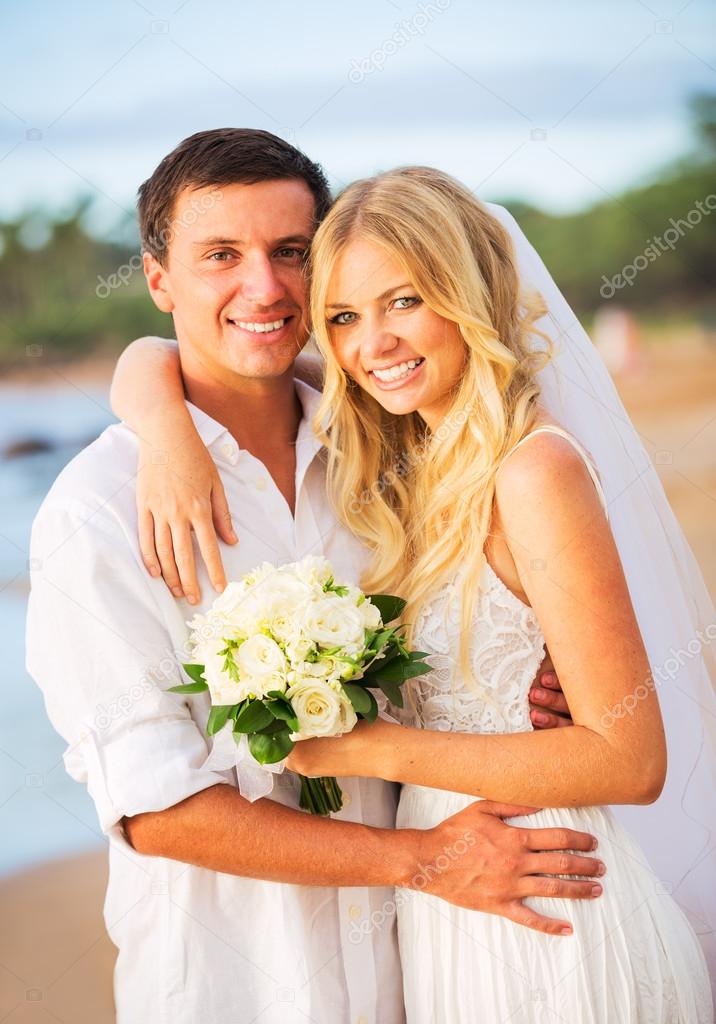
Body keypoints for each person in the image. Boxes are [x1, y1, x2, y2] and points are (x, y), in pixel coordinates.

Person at [26, 130, 606, 1024]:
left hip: (430, 964)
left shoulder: (388, 449)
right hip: (238, 984)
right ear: (158, 281)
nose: (263, 288)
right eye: (220, 255)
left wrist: (535, 653)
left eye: (290, 253)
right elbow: (154, 807)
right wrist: (420, 862)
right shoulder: (97, 511)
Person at [113, 163, 714, 1021]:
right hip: (447, 904)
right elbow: (176, 349)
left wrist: (364, 750)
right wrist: (164, 427)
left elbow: (631, 759)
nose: (373, 345)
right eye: (345, 318)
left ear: (466, 296)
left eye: (406, 301)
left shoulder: (534, 470)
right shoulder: (403, 465)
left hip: (546, 900)